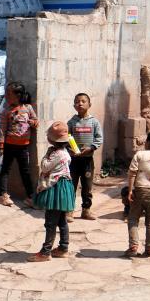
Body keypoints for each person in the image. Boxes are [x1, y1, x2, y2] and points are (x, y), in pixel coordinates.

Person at [28, 121, 75, 262]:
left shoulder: (57, 154)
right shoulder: (65, 152)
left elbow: (45, 167)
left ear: (51, 140)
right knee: (61, 220)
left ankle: (45, 252)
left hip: (56, 189)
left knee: (50, 222)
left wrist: (46, 155)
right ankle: (63, 248)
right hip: (64, 187)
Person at [0, 82, 38, 207]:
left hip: (23, 146)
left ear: (18, 95)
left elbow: (35, 120)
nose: (6, 96)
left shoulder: (28, 108)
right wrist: (1, 145)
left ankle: (30, 197)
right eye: (6, 93)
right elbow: (2, 129)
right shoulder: (6, 111)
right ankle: (2, 195)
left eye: (9, 94)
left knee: (25, 171)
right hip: (9, 145)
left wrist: (33, 122)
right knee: (5, 170)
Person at [66, 92, 103, 221]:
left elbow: (99, 138)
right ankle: (69, 211)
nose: (80, 103)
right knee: (71, 186)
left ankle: (86, 210)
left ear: (89, 104)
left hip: (87, 160)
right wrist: (69, 149)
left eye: (83, 101)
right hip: (73, 160)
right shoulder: (71, 122)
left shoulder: (94, 122)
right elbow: (66, 138)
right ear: (74, 105)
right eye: (77, 101)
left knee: (87, 187)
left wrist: (91, 148)